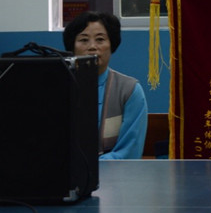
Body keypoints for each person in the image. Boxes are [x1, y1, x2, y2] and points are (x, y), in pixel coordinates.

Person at [63, 11, 148, 159]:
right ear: (72, 47)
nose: (92, 47)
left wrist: (92, 167)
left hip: (115, 172)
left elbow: (129, 152)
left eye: (100, 39)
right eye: (84, 40)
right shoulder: (57, 87)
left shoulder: (129, 91)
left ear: (111, 45)